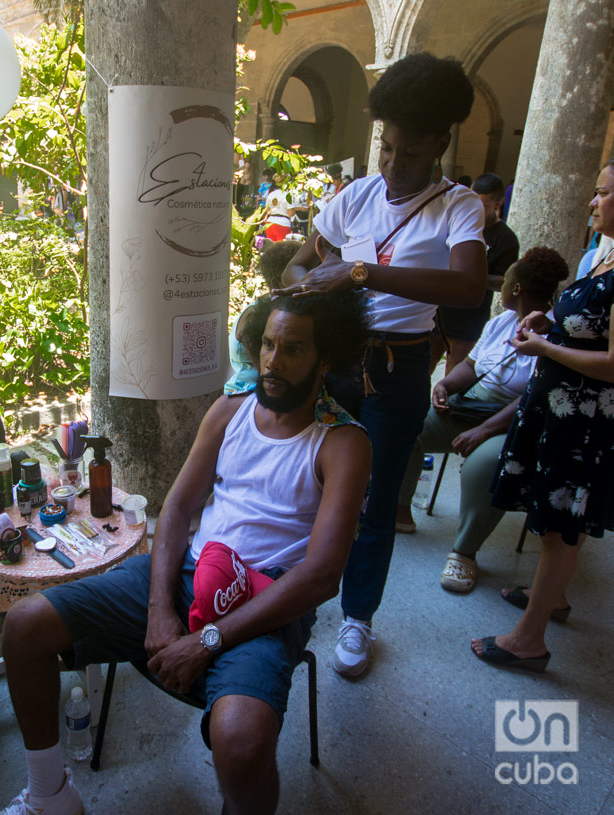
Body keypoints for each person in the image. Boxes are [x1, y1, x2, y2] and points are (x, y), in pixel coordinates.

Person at [0, 292, 371, 815]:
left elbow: (321, 577)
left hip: (267, 600)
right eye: (267, 344)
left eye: (294, 349)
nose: (273, 361)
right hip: (191, 572)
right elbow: (174, 510)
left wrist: (207, 642)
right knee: (25, 626)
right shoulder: (230, 411)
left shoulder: (342, 442)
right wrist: (159, 610)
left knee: (241, 745)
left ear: (325, 359)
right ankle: (48, 796)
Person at [276, 52, 487, 678]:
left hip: (399, 371)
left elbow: (469, 287)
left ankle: (358, 617)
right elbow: (299, 263)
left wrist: (364, 270)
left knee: (374, 501)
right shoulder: (357, 195)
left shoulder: (460, 208)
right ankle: (291, 595)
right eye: (388, 149)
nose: (395, 166)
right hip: (339, 363)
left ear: (441, 143)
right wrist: (307, 286)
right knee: (311, 486)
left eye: (412, 153)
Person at [473, 159, 614, 673]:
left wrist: (546, 349)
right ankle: (551, 598)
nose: (593, 202)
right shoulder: (600, 255)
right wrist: (547, 321)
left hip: (582, 421)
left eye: (602, 194)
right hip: (557, 411)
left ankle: (528, 640)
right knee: (550, 519)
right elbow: (583, 323)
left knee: (560, 526)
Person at [392, 248, 569, 592]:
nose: (501, 286)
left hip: (515, 421)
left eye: (506, 281)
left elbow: (531, 399)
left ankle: (464, 552)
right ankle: (399, 511)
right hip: (471, 408)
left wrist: (483, 431)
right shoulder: (501, 321)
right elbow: (472, 367)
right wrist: (444, 384)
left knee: (483, 465)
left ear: (516, 288)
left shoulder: (554, 336)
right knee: (408, 426)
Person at [432, 173, 520, 374]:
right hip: (439, 313)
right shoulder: (455, 225)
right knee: (423, 366)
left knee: (453, 372)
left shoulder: (506, 239)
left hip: (469, 318)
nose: (474, 209)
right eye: (471, 201)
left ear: (498, 203)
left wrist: (472, 277)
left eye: (483, 205)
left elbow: (504, 281)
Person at [226, 241, 303, 395]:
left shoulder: (273, 308)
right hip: (248, 395)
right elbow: (266, 375)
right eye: (300, 274)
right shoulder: (258, 316)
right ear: (278, 284)